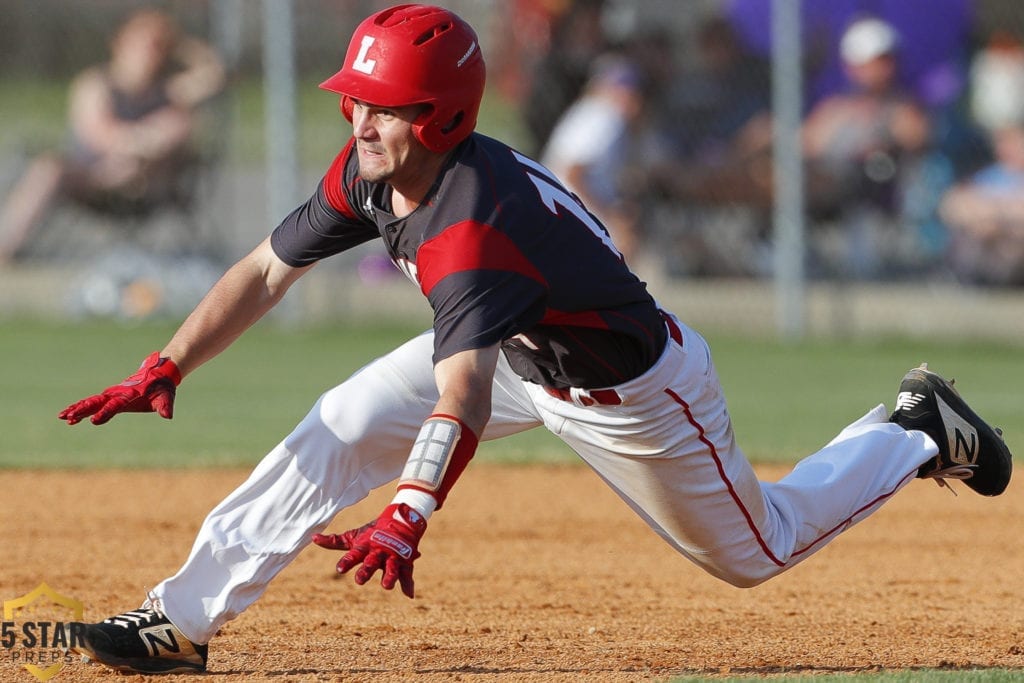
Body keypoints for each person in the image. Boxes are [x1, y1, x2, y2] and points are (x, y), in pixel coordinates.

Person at [58, 5, 1011, 675]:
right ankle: (180, 622)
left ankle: (918, 428)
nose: (358, 116)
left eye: (381, 104)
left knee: (756, 550)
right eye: (355, 97)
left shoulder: (473, 228)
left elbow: (460, 396)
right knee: (339, 421)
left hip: (633, 394)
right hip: (520, 351)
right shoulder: (372, 169)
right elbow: (266, 270)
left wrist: (410, 512)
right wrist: (168, 360)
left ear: (441, 116)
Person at [0, 9, 225, 263]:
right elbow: (98, 133)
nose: (149, 51)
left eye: (158, 45)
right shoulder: (96, 84)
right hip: (94, 177)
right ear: (119, 43)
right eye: (141, 43)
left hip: (148, 183)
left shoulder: (168, 91)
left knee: (177, 125)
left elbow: (216, 75)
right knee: (47, 168)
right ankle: (7, 250)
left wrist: (180, 43)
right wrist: (140, 141)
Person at [800, 16, 933, 278]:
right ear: (852, 66)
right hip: (828, 194)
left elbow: (917, 136)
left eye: (885, 60)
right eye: (873, 62)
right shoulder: (835, 108)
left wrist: (878, 132)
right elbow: (808, 144)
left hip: (878, 192)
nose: (881, 69)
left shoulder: (903, 108)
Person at [540, 55, 646, 263]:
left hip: (557, 209)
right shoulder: (606, 116)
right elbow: (573, 173)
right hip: (567, 212)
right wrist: (608, 219)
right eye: (623, 90)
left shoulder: (592, 112)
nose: (631, 98)